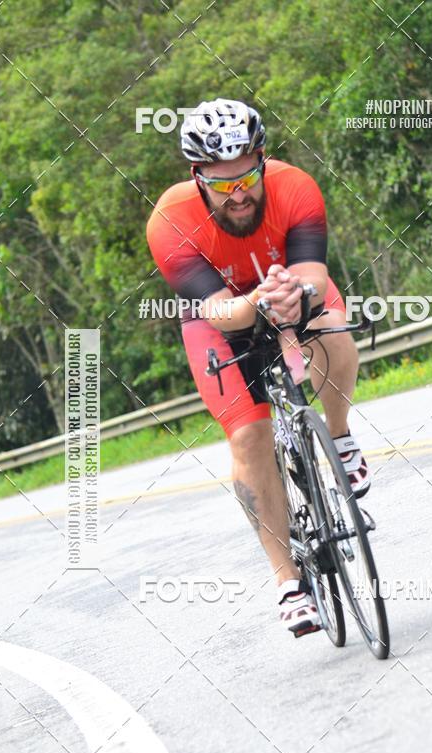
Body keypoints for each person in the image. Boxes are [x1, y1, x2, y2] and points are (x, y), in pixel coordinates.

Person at [146, 97, 370, 637]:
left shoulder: (296, 187)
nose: (239, 193)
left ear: (263, 158)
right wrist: (258, 305)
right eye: (223, 186)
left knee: (333, 329)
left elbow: (313, 270)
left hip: (290, 286)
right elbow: (219, 311)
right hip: (221, 317)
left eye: (247, 177)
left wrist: (298, 295)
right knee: (248, 436)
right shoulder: (170, 220)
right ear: (197, 178)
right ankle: (287, 582)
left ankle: (338, 437)